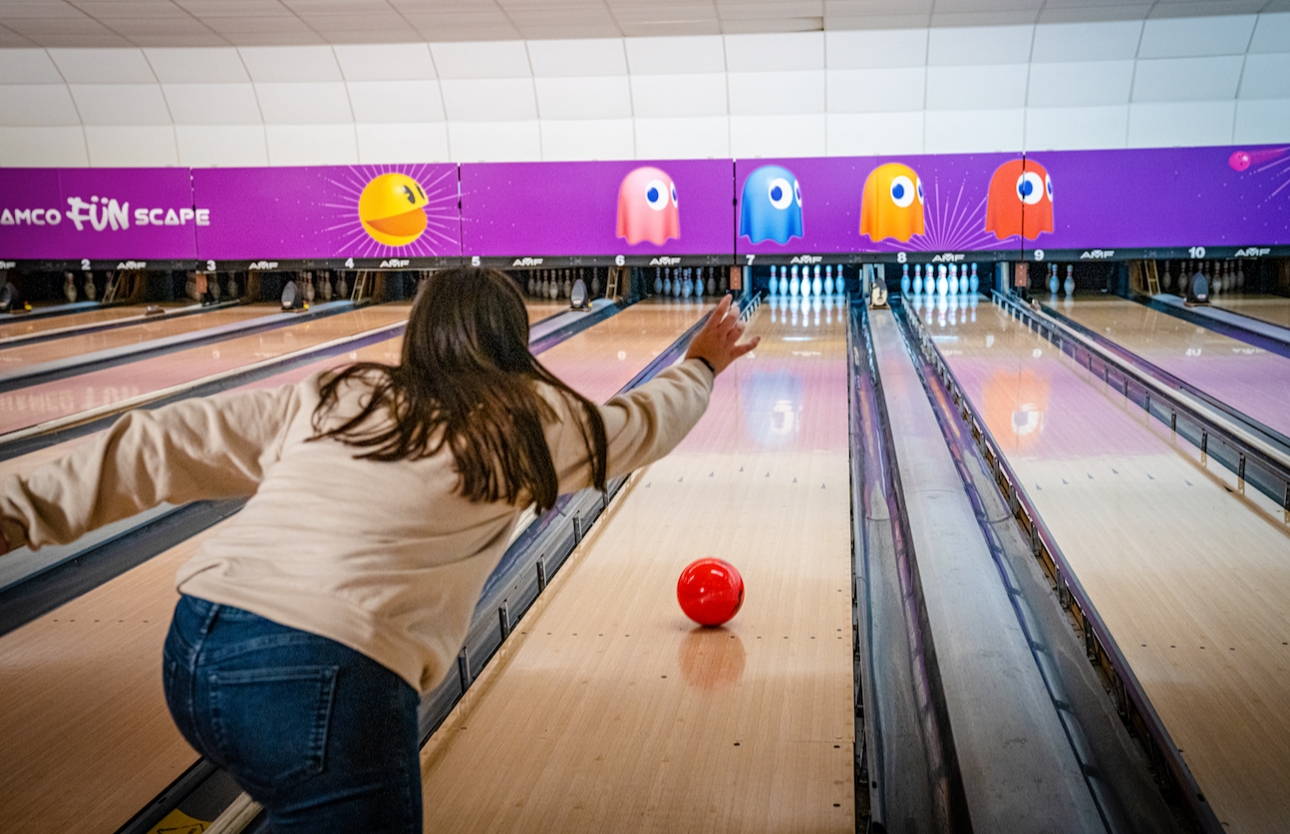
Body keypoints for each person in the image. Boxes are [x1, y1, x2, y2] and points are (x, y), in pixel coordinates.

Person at [0, 267, 758, 833]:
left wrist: (15, 511)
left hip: (196, 646)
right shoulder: (533, 420)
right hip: (322, 673)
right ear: (514, 340)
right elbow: (646, 422)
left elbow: (166, 443)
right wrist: (701, 364)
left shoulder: (338, 393)